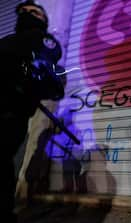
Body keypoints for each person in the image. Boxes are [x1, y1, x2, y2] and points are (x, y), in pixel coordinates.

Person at [0, 1, 64, 221]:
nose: (27, 15)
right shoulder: (9, 40)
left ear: (44, 20)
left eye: (34, 12)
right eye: (23, 12)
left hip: (10, 111)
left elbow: (48, 74)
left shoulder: (45, 42)